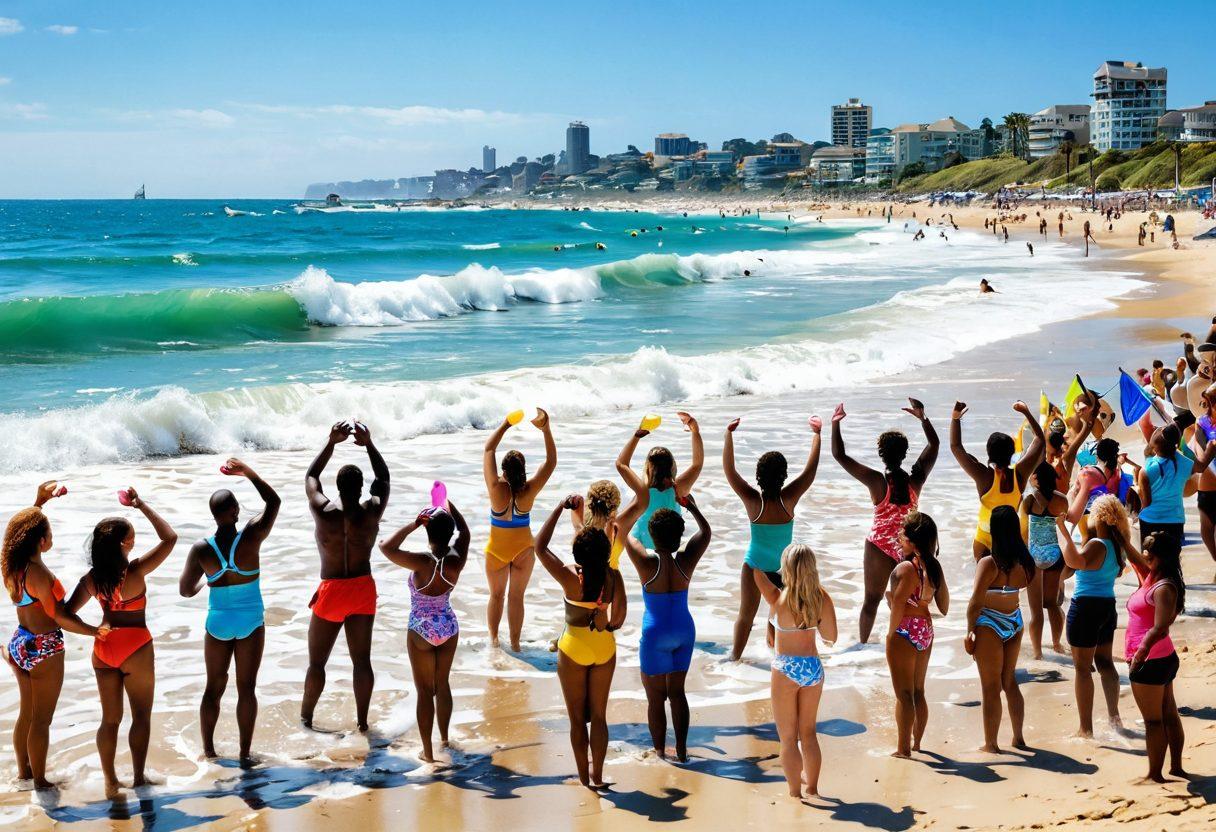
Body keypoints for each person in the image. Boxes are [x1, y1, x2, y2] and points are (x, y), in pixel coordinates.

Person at [67, 487, 178, 799]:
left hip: (104, 650)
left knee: (110, 720)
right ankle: (140, 779)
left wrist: (92, 631)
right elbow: (170, 538)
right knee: (140, 716)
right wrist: (140, 504)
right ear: (122, 543)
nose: (134, 539)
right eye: (131, 535)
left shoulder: (92, 579)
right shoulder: (136, 570)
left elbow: (64, 614)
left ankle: (110, 782)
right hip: (136, 647)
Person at [3, 483, 110, 791]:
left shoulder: (14, 565)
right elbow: (59, 617)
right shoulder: (37, 573)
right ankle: (39, 781)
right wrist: (94, 631)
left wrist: (38, 502)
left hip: (21, 642)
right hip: (44, 647)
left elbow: (19, 531)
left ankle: (25, 773)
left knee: (27, 713)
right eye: (49, 534)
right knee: (42, 720)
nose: (53, 538)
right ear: (40, 539)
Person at [178, 458, 280, 767]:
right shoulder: (251, 535)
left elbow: (185, 589)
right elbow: (273, 501)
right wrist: (248, 472)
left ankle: (209, 753)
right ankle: (245, 753)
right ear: (235, 511)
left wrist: (205, 584)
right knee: (246, 688)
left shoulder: (202, 549)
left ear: (213, 515)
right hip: (250, 621)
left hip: (218, 621)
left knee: (213, 688)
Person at [300, 421, 390, 732]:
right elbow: (383, 478)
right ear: (361, 488)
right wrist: (369, 444)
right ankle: (363, 723)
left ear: (337, 487)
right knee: (361, 662)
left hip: (332, 590)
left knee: (317, 664)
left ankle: (306, 720)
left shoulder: (324, 511)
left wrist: (331, 442)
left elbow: (311, 477)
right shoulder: (371, 512)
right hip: (362, 589)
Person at [534, 497, 626, 789]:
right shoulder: (613, 577)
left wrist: (558, 509)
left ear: (577, 553)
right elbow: (619, 619)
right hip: (604, 647)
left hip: (573, 647)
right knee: (599, 717)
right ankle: (599, 776)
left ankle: (584, 779)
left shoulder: (571, 577)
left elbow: (539, 546)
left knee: (577, 721)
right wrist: (604, 620)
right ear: (605, 553)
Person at [831, 398, 938, 642]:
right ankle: (906, 641)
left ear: (881, 454)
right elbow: (934, 444)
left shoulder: (877, 482)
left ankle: (863, 646)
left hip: (879, 546)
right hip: (908, 546)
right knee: (907, 602)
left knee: (871, 602)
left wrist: (835, 423)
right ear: (904, 454)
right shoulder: (915, 481)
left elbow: (839, 455)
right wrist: (923, 418)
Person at [723, 415, 822, 661]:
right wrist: (817, 435)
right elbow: (810, 472)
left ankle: (734, 658)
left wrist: (728, 435)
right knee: (783, 614)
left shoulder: (753, 502)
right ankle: (782, 654)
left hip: (754, 565)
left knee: (746, 616)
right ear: (784, 476)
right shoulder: (788, 499)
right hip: (784, 568)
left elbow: (730, 472)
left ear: (758, 475)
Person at [378, 502, 471, 763]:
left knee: (423, 691)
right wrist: (452, 509)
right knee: (442, 685)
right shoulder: (456, 560)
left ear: (428, 533)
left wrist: (414, 523)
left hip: (421, 629)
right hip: (448, 626)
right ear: (449, 533)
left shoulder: (421, 562)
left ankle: (428, 753)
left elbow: (385, 546)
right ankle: (444, 739)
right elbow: (465, 533)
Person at [622, 495, 710, 761]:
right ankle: (682, 752)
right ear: (679, 535)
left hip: (656, 632)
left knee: (656, 698)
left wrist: (637, 509)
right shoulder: (685, 562)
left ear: (652, 534)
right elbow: (705, 532)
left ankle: (660, 752)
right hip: (684, 630)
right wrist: (692, 507)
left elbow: (624, 533)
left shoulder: (647, 564)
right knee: (677, 694)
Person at [754, 544, 837, 800]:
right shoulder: (821, 597)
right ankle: (812, 787)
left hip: (786, 668)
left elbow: (754, 570)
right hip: (812, 667)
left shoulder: (778, 596)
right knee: (808, 733)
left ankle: (794, 792)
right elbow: (831, 637)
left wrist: (763, 543)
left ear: (786, 568)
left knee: (788, 739)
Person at [964, 505, 1038, 753]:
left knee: (990, 686)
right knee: (1009, 681)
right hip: (1014, 621)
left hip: (989, 624)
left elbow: (975, 602)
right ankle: (1018, 738)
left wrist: (969, 631)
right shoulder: (1026, 563)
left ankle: (991, 744)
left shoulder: (989, 563)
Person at [483, 408, 557, 651]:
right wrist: (546, 429)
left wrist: (505, 424)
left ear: (503, 471)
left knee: (496, 596)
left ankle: (494, 641)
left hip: (496, 550)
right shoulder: (529, 491)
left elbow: (489, 449)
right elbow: (551, 462)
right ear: (523, 471)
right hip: (524, 549)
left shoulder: (496, 488)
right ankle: (515, 644)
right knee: (516, 598)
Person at [1055, 494, 1127, 737]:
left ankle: (1085, 728)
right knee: (1105, 663)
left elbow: (1075, 562)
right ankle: (1114, 718)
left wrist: (1063, 531)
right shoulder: (1117, 547)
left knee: (1082, 670)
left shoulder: (1097, 545)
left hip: (1086, 608)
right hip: (1107, 607)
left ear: (1101, 518)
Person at [1123, 531, 1187, 782]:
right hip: (1162, 658)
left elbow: (1160, 628)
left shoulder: (1164, 587)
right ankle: (1176, 767)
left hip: (1151, 661)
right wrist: (1120, 536)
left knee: (1153, 721)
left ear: (1157, 558)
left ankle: (1155, 774)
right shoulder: (1154, 576)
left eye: (1148, 554)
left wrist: (1140, 654)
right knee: (1169, 713)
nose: (1144, 557)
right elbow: (1135, 559)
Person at [886, 512, 948, 758]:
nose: (899, 536)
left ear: (912, 541)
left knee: (903, 694)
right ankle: (917, 743)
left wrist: (891, 633)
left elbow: (899, 604)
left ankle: (903, 749)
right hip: (925, 628)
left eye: (902, 533)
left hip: (905, 628)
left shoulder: (906, 567)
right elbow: (943, 606)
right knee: (918, 691)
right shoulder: (932, 567)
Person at [951, 400, 1045, 559]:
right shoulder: (1020, 474)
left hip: (984, 537)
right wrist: (1026, 412)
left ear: (988, 452)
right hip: (1010, 538)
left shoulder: (984, 476)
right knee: (1010, 582)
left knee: (985, 582)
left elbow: (956, 446)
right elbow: (1040, 440)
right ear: (1012, 452)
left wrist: (955, 418)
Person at [621, 411, 704, 552]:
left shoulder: (643, 493)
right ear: (672, 466)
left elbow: (622, 464)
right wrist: (695, 430)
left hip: (642, 550)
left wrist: (636, 436)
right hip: (669, 548)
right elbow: (697, 464)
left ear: (648, 467)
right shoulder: (678, 489)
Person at [1020, 462, 1069, 657]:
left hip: (1034, 556)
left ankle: (1038, 652)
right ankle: (1057, 643)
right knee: (1052, 604)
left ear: (1036, 479)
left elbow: (1023, 531)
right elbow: (1065, 524)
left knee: (1036, 611)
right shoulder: (1062, 500)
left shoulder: (1029, 499)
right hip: (1055, 554)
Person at [1139, 424, 1213, 547]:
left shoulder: (1146, 470)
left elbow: (1146, 502)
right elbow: (1201, 466)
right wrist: (1211, 447)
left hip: (1150, 520)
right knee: (1172, 560)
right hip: (1174, 520)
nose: (1158, 429)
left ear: (1155, 447)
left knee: (1150, 560)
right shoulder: (1184, 463)